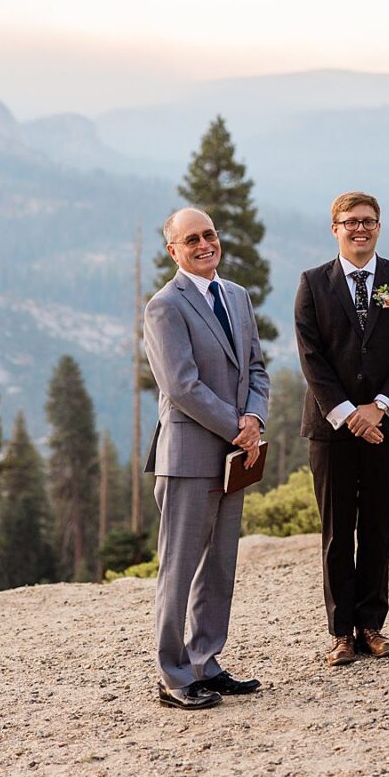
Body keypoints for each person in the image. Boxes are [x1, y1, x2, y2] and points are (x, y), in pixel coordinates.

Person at [142, 206, 270, 710]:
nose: (203, 244)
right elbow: (182, 385)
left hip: (236, 454)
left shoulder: (237, 296)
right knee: (179, 568)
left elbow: (256, 367)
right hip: (190, 456)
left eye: (209, 234)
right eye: (191, 239)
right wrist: (236, 427)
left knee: (219, 565)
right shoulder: (164, 306)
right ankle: (173, 677)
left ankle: (205, 663)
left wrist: (255, 419)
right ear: (173, 250)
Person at [293, 191, 389, 666]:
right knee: (336, 530)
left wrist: (380, 407)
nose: (360, 229)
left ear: (378, 226)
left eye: (368, 221)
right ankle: (340, 634)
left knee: (377, 526)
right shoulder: (313, 284)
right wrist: (350, 413)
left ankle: (371, 626)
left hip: (388, 428)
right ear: (335, 229)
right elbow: (312, 358)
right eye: (350, 222)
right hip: (332, 429)